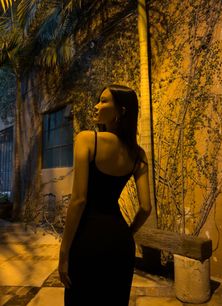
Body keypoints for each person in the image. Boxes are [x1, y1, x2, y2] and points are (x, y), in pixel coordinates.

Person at [58, 84, 152, 306]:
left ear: (121, 110)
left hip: (87, 242)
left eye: (103, 101)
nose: (96, 106)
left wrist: (64, 253)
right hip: (120, 243)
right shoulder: (138, 154)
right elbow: (146, 207)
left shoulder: (87, 139)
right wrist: (127, 233)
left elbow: (79, 200)